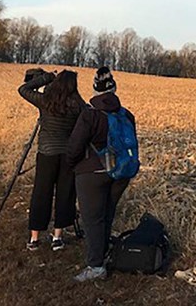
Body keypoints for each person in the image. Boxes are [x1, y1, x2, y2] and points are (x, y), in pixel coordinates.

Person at [68, 67, 136, 282]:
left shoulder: (89, 115)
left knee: (93, 220)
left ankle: (96, 267)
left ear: (95, 91)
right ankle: (103, 254)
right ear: (114, 89)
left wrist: (73, 166)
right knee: (107, 214)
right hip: (122, 173)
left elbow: (74, 148)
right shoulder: (127, 115)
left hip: (92, 174)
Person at [18, 69, 85, 251]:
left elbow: (23, 89)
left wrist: (46, 78)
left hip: (47, 153)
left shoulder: (46, 101)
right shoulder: (77, 104)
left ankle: (34, 239)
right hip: (68, 156)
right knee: (66, 194)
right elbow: (88, 113)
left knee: (41, 193)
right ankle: (57, 237)